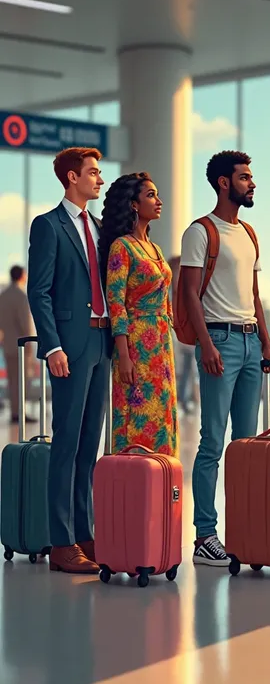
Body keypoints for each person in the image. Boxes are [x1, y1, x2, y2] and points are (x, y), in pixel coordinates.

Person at [180, 150, 270, 567]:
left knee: (247, 445)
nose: (251, 183)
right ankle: (205, 535)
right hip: (219, 339)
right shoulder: (200, 232)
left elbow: (254, 295)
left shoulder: (251, 233)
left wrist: (268, 344)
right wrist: (207, 345)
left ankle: (245, 528)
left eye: (251, 178)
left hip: (251, 340)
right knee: (211, 442)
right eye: (244, 178)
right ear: (224, 183)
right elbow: (188, 293)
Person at [28, 147, 112, 574]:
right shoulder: (49, 226)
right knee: (65, 445)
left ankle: (84, 533)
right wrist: (53, 346)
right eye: (93, 173)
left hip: (101, 344)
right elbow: (38, 292)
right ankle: (61, 543)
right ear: (70, 178)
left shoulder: (99, 228)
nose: (99, 179)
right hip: (70, 348)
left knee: (88, 448)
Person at [99, 172, 178, 456]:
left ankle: (161, 483)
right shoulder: (122, 247)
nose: (159, 201)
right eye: (151, 195)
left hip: (161, 345)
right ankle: (132, 487)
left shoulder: (154, 248)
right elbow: (116, 301)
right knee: (136, 414)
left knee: (163, 415)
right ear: (134, 204)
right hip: (136, 345)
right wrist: (123, 354)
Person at [0, 265, 36, 424]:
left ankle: (15, 412)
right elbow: (25, 323)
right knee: (23, 380)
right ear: (21, 276)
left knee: (12, 381)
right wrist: (31, 343)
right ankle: (20, 413)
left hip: (7, 344)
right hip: (21, 346)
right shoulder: (21, 296)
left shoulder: (3, 295)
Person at [169, 254, 197, 415]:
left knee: (188, 368)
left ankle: (186, 400)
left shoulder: (181, 287)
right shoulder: (175, 288)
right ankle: (183, 400)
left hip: (184, 332)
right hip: (178, 332)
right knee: (184, 369)